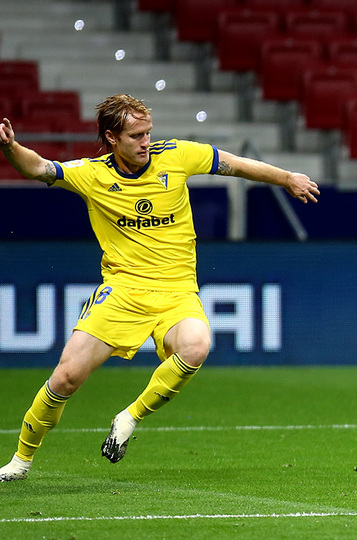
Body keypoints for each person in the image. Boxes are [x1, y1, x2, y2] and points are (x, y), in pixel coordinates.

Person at [0, 94, 320, 481]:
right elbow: (38, 169)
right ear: (111, 138)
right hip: (122, 291)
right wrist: (10, 147)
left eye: (148, 132)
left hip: (177, 291)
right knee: (66, 378)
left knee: (197, 344)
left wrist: (286, 177)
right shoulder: (93, 175)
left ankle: (129, 417)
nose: (145, 141)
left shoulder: (177, 155)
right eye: (135, 135)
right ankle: (20, 460)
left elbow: (234, 164)